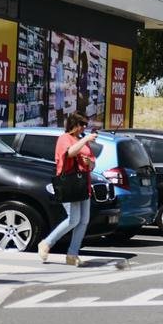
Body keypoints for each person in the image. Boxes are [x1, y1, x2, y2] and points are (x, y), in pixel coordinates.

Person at [37, 113, 97, 266]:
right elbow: (70, 153)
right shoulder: (64, 138)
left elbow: (92, 163)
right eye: (81, 124)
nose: (84, 127)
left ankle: (72, 254)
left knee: (84, 221)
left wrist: (89, 163)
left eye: (85, 124)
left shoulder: (82, 140)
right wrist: (85, 139)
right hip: (69, 184)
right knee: (73, 219)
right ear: (73, 124)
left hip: (83, 184)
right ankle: (46, 243)